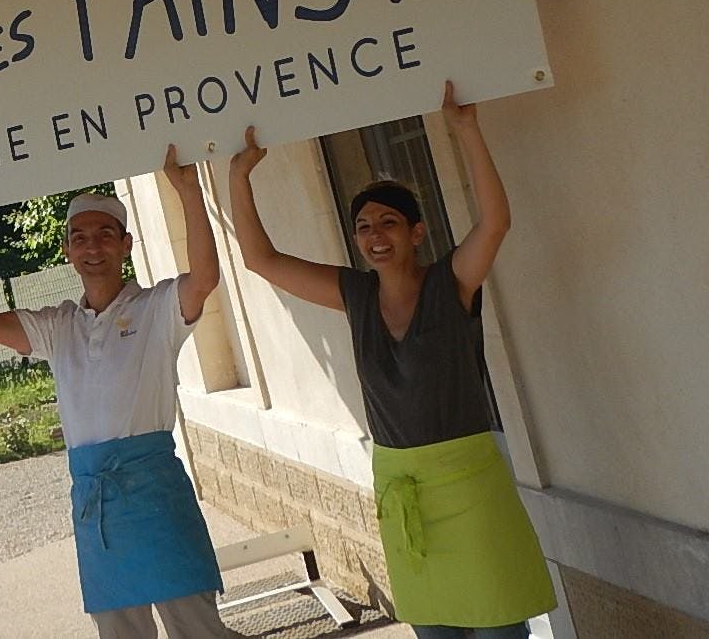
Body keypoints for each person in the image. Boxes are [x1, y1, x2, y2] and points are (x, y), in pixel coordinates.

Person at [226, 81, 555, 639]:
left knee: (502, 629)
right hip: (403, 494)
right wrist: (238, 178)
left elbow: (494, 223)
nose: (375, 236)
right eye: (363, 226)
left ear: (416, 232)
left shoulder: (450, 283)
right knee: (435, 632)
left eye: (388, 223)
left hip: (470, 487)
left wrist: (467, 130)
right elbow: (259, 259)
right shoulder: (354, 295)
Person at [0, 147, 235, 639]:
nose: (92, 247)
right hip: (97, 509)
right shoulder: (59, 326)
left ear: (126, 244)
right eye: (79, 238)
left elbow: (204, 279)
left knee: (199, 631)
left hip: (157, 495)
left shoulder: (156, 309)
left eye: (104, 235)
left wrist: (188, 191)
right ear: (68, 251)